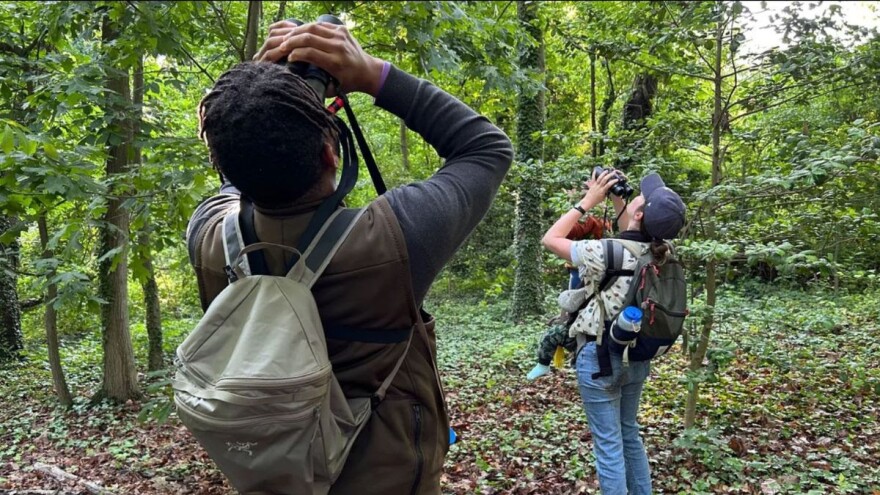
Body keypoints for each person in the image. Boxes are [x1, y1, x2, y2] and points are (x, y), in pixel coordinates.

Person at [185, 20, 513, 494]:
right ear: (331, 154)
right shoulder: (396, 238)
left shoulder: (209, 240)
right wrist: (372, 74)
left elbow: (234, 172)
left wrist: (251, 101)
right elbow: (486, 148)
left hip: (281, 478)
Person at [541, 169, 686, 494]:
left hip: (600, 360)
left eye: (641, 198)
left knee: (608, 448)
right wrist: (620, 199)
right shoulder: (663, 254)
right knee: (629, 435)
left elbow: (550, 239)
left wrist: (588, 201)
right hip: (637, 358)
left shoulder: (605, 252)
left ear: (639, 213)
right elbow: (631, 238)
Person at [526, 213, 607, 381]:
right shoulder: (610, 262)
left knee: (552, 335)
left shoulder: (586, 274)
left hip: (587, 326)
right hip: (606, 325)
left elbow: (571, 302)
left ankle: (543, 364)